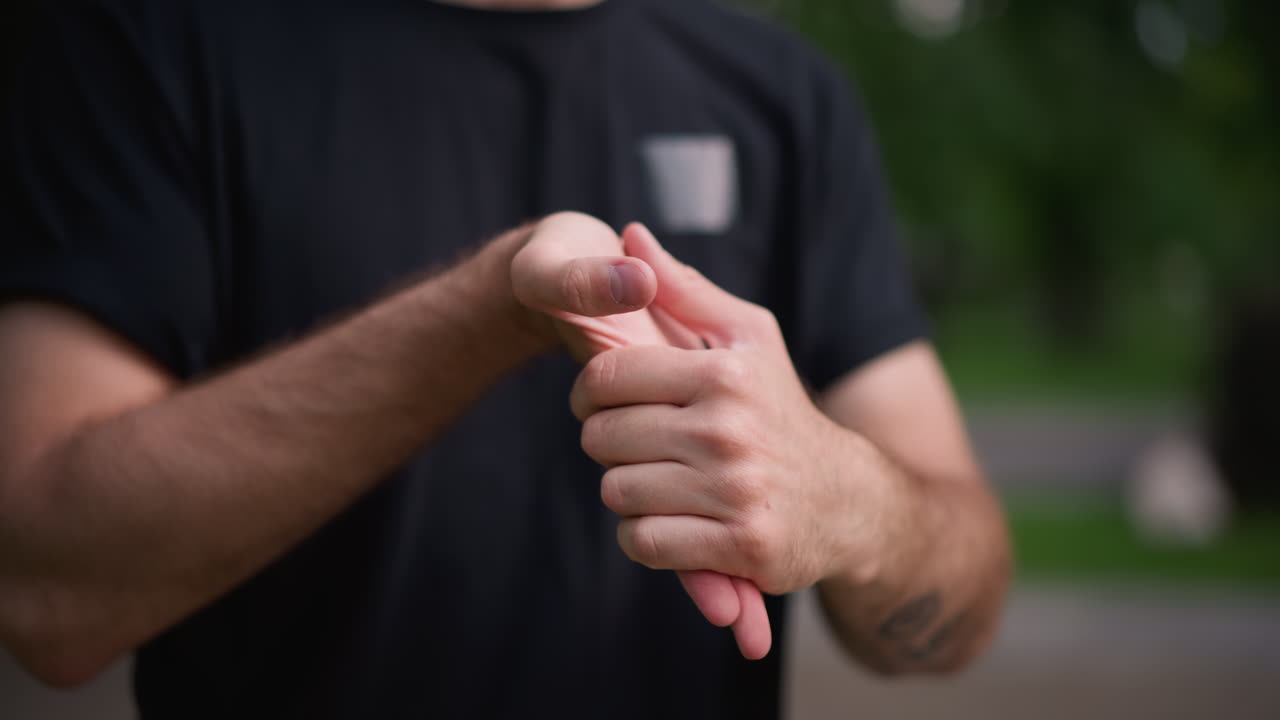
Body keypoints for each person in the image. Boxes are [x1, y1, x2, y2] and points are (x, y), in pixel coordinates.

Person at [0, 0, 1010, 717]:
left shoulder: (786, 99)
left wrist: (848, 505)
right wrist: (487, 308)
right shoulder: (139, 36)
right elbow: (42, 595)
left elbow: (960, 609)